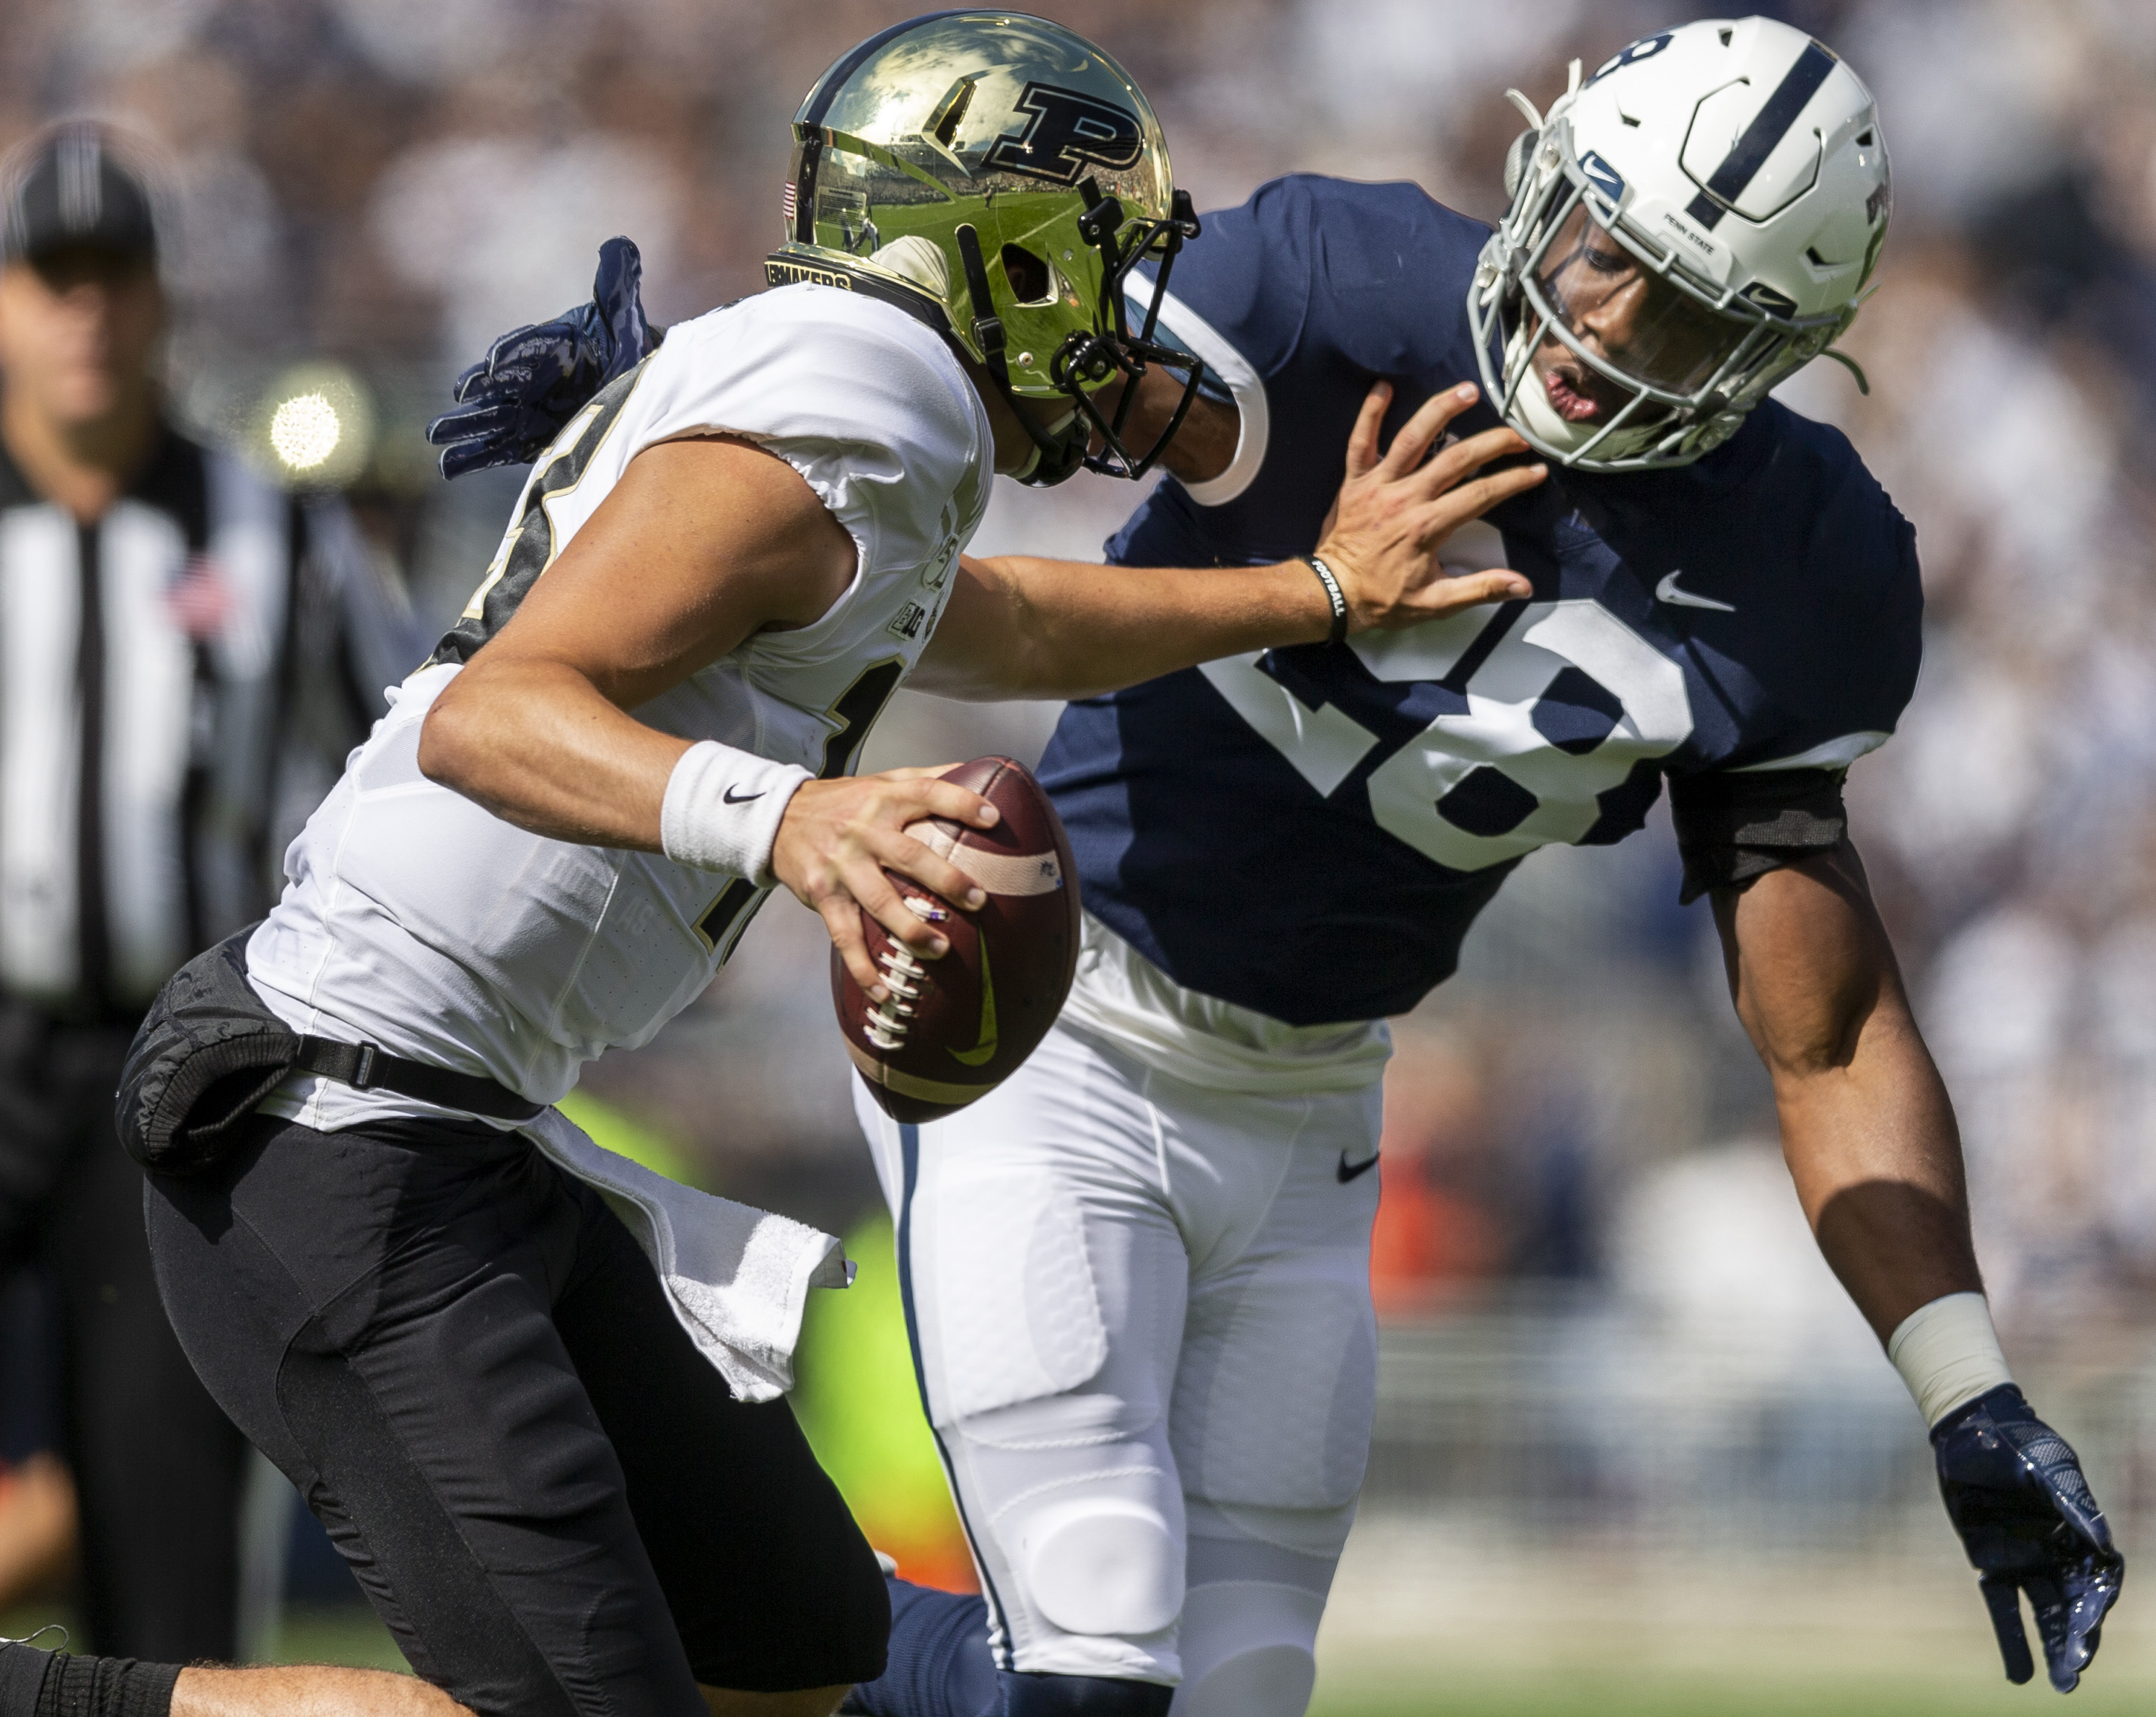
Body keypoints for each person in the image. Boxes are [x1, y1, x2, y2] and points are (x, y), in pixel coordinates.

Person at [413, 19, 2124, 1716]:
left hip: (1312, 1109)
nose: (1602, 326)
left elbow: (1820, 1030)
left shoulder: (1809, 571)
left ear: (1778, 352)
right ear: (1550, 182)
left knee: (1224, 1692)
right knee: (1090, 1654)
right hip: (1049, 1020)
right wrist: (712, 392)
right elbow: (976, 328)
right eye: (1605, 252)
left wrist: (1966, 1390)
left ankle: (757, 1641)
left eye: (1678, 311)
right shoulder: (1335, 297)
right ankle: (754, 1629)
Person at [1, 16, 1538, 1717]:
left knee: (812, 1640)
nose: (1113, 320)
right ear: (998, 251)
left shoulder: (873, 397)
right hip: (330, 1132)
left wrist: (1309, 590)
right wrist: (794, 820)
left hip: (461, 1128)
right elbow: (492, 719)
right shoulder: (868, 383)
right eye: (1094, 263)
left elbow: (1002, 618)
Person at [0, 120, 411, 1667]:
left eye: (116, 276)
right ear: (5, 303)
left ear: (164, 299)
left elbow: (404, 760)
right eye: (54, 278)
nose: (86, 312)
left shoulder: (277, 527)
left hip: (169, 1074)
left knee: (161, 1514)